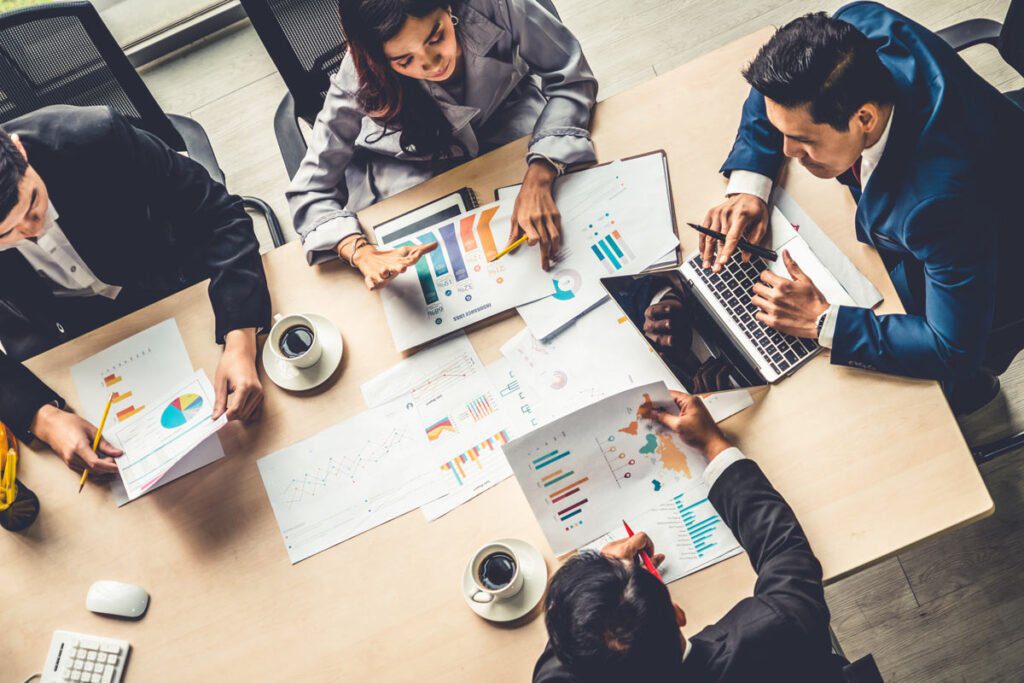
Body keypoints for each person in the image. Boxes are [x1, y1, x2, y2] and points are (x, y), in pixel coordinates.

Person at [701, 2, 1024, 414]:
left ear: (864, 119)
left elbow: (952, 346)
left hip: (999, 258)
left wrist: (822, 321)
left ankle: (964, 396)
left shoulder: (939, 206)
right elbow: (776, 93)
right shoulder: (856, 25)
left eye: (804, 140)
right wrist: (750, 183)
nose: (785, 150)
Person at [0, 105, 272, 479]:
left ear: (21, 151)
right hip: (62, 335)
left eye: (33, 204)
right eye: (5, 236)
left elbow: (219, 217)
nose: (31, 232)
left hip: (165, 286)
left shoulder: (94, 137)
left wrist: (240, 339)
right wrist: (42, 417)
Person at [533, 392, 848, 682]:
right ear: (677, 614)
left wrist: (589, 590)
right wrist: (714, 444)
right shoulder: (776, 628)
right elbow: (785, 555)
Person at [287, 0, 597, 285]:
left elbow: (571, 77)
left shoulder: (495, 5)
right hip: (412, 168)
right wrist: (357, 251)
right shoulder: (357, 74)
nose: (433, 63)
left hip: (505, 120)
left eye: (436, 36)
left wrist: (543, 170)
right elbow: (309, 190)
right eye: (404, 59)